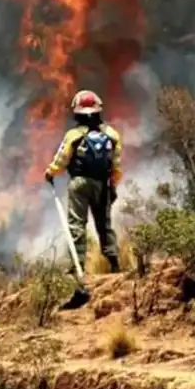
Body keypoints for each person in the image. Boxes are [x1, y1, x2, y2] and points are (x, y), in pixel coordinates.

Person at [44, 90, 124, 310]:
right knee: (104, 225)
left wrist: (50, 172)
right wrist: (112, 187)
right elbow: (116, 166)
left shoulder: (74, 135)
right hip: (103, 185)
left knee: (77, 226)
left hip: (79, 184)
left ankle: (77, 272)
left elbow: (62, 160)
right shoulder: (112, 135)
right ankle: (115, 266)